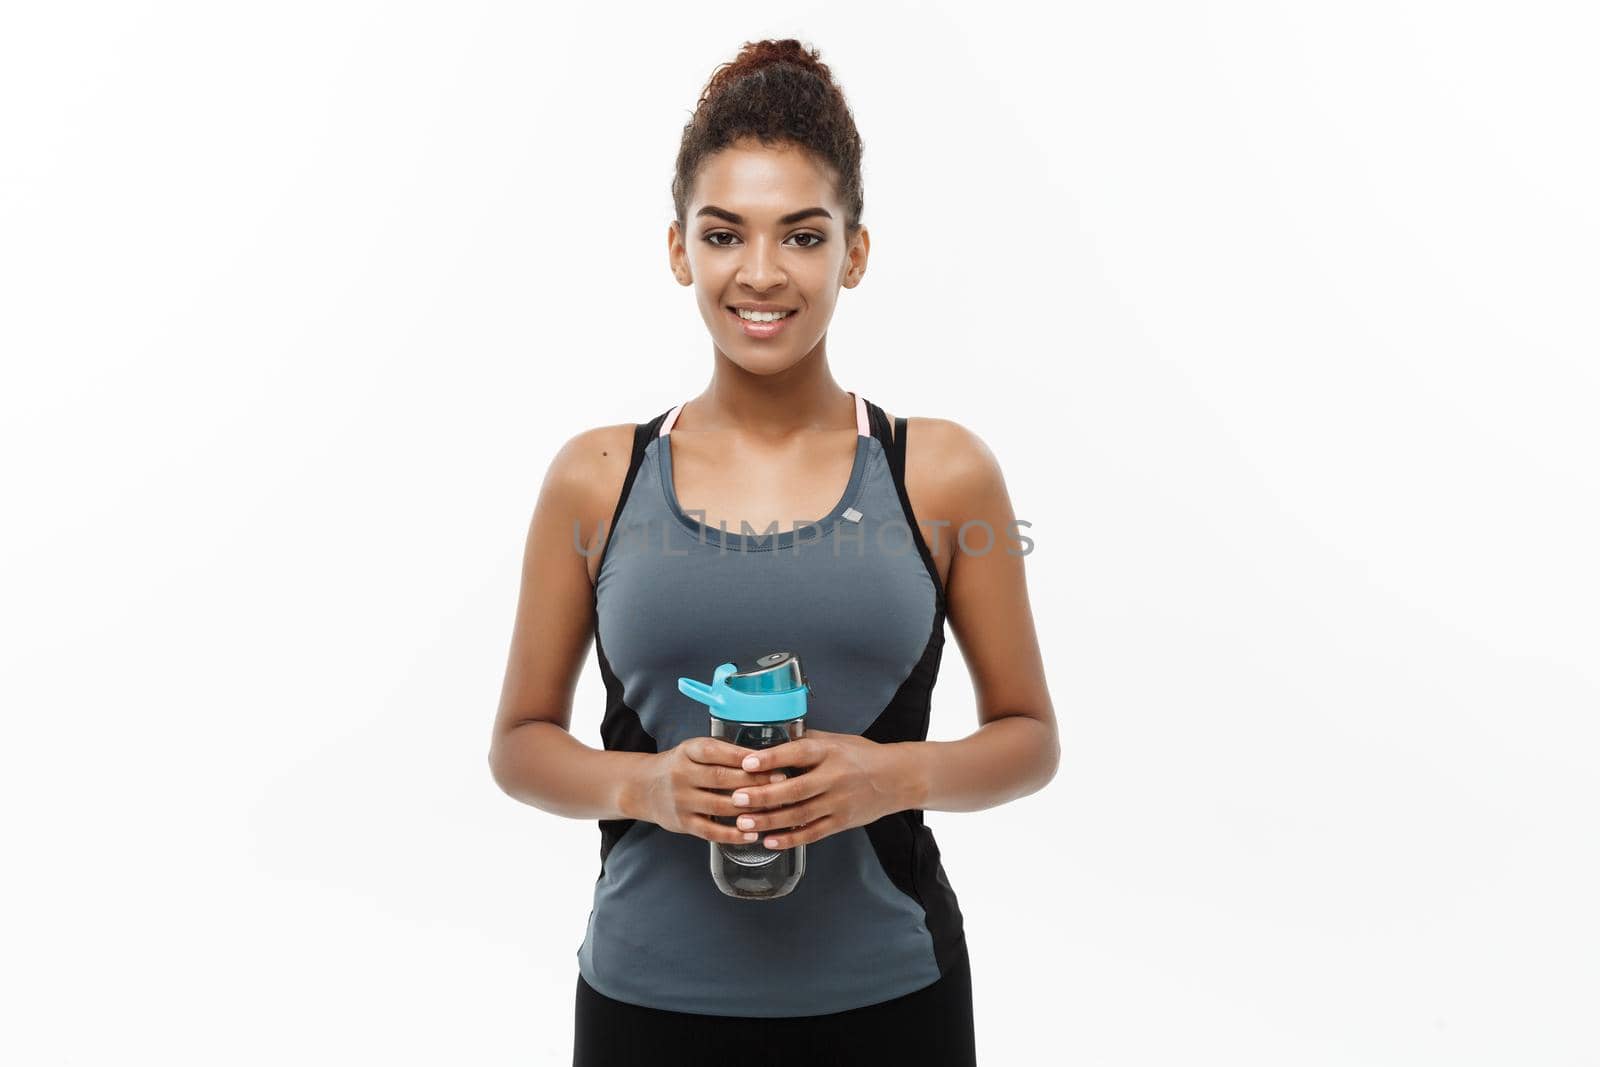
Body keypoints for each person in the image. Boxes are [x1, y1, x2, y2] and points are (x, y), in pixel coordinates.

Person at [488, 38, 1058, 1067]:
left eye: (801, 234)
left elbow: (1028, 736)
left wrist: (884, 776)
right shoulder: (597, 477)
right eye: (724, 234)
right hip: (645, 998)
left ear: (854, 252)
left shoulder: (937, 472)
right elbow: (521, 741)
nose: (761, 273)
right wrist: (644, 787)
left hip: (890, 997)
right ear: (678, 251)